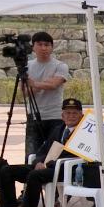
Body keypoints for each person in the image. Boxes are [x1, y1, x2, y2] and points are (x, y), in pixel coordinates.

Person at [0, 97, 83, 207]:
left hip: (65, 169)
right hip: (46, 166)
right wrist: (38, 161)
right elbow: (42, 150)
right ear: (62, 116)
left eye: (75, 113)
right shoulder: (59, 129)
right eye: (68, 113)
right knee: (6, 170)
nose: (71, 116)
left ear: (81, 115)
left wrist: (48, 164)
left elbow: (75, 156)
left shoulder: (84, 132)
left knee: (34, 175)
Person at [23, 31, 69, 159]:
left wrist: (33, 83)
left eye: (47, 45)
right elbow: (25, 92)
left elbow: (54, 85)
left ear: (52, 47)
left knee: (53, 155)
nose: (43, 48)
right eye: (40, 44)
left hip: (55, 116)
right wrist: (43, 83)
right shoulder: (27, 66)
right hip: (33, 116)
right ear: (33, 47)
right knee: (31, 154)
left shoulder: (60, 65)